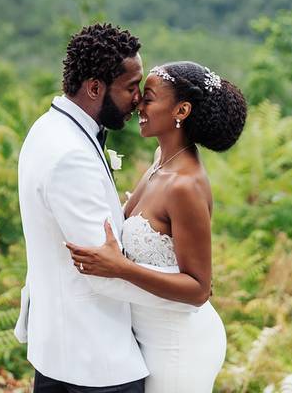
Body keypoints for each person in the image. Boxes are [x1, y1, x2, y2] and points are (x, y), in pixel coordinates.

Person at [15, 24, 199, 392]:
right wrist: (186, 295)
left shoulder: (48, 128)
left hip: (60, 350)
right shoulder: (71, 155)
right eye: (131, 87)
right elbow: (100, 267)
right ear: (95, 88)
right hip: (95, 360)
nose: (138, 99)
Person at [66, 61, 248, 392]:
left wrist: (121, 269)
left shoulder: (184, 185)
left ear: (181, 109)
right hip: (145, 341)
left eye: (148, 97)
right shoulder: (159, 162)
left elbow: (199, 289)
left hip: (178, 347)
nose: (138, 104)